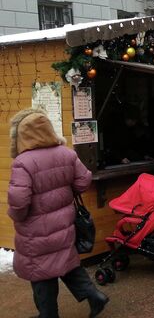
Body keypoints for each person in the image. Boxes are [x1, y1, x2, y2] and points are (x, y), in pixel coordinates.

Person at [8, 108, 109, 318]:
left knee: (41, 274)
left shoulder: (23, 162)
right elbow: (83, 181)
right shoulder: (66, 153)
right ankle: (94, 295)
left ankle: (48, 314)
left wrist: (17, 216)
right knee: (66, 262)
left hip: (36, 231)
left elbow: (19, 202)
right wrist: (64, 193)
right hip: (64, 223)